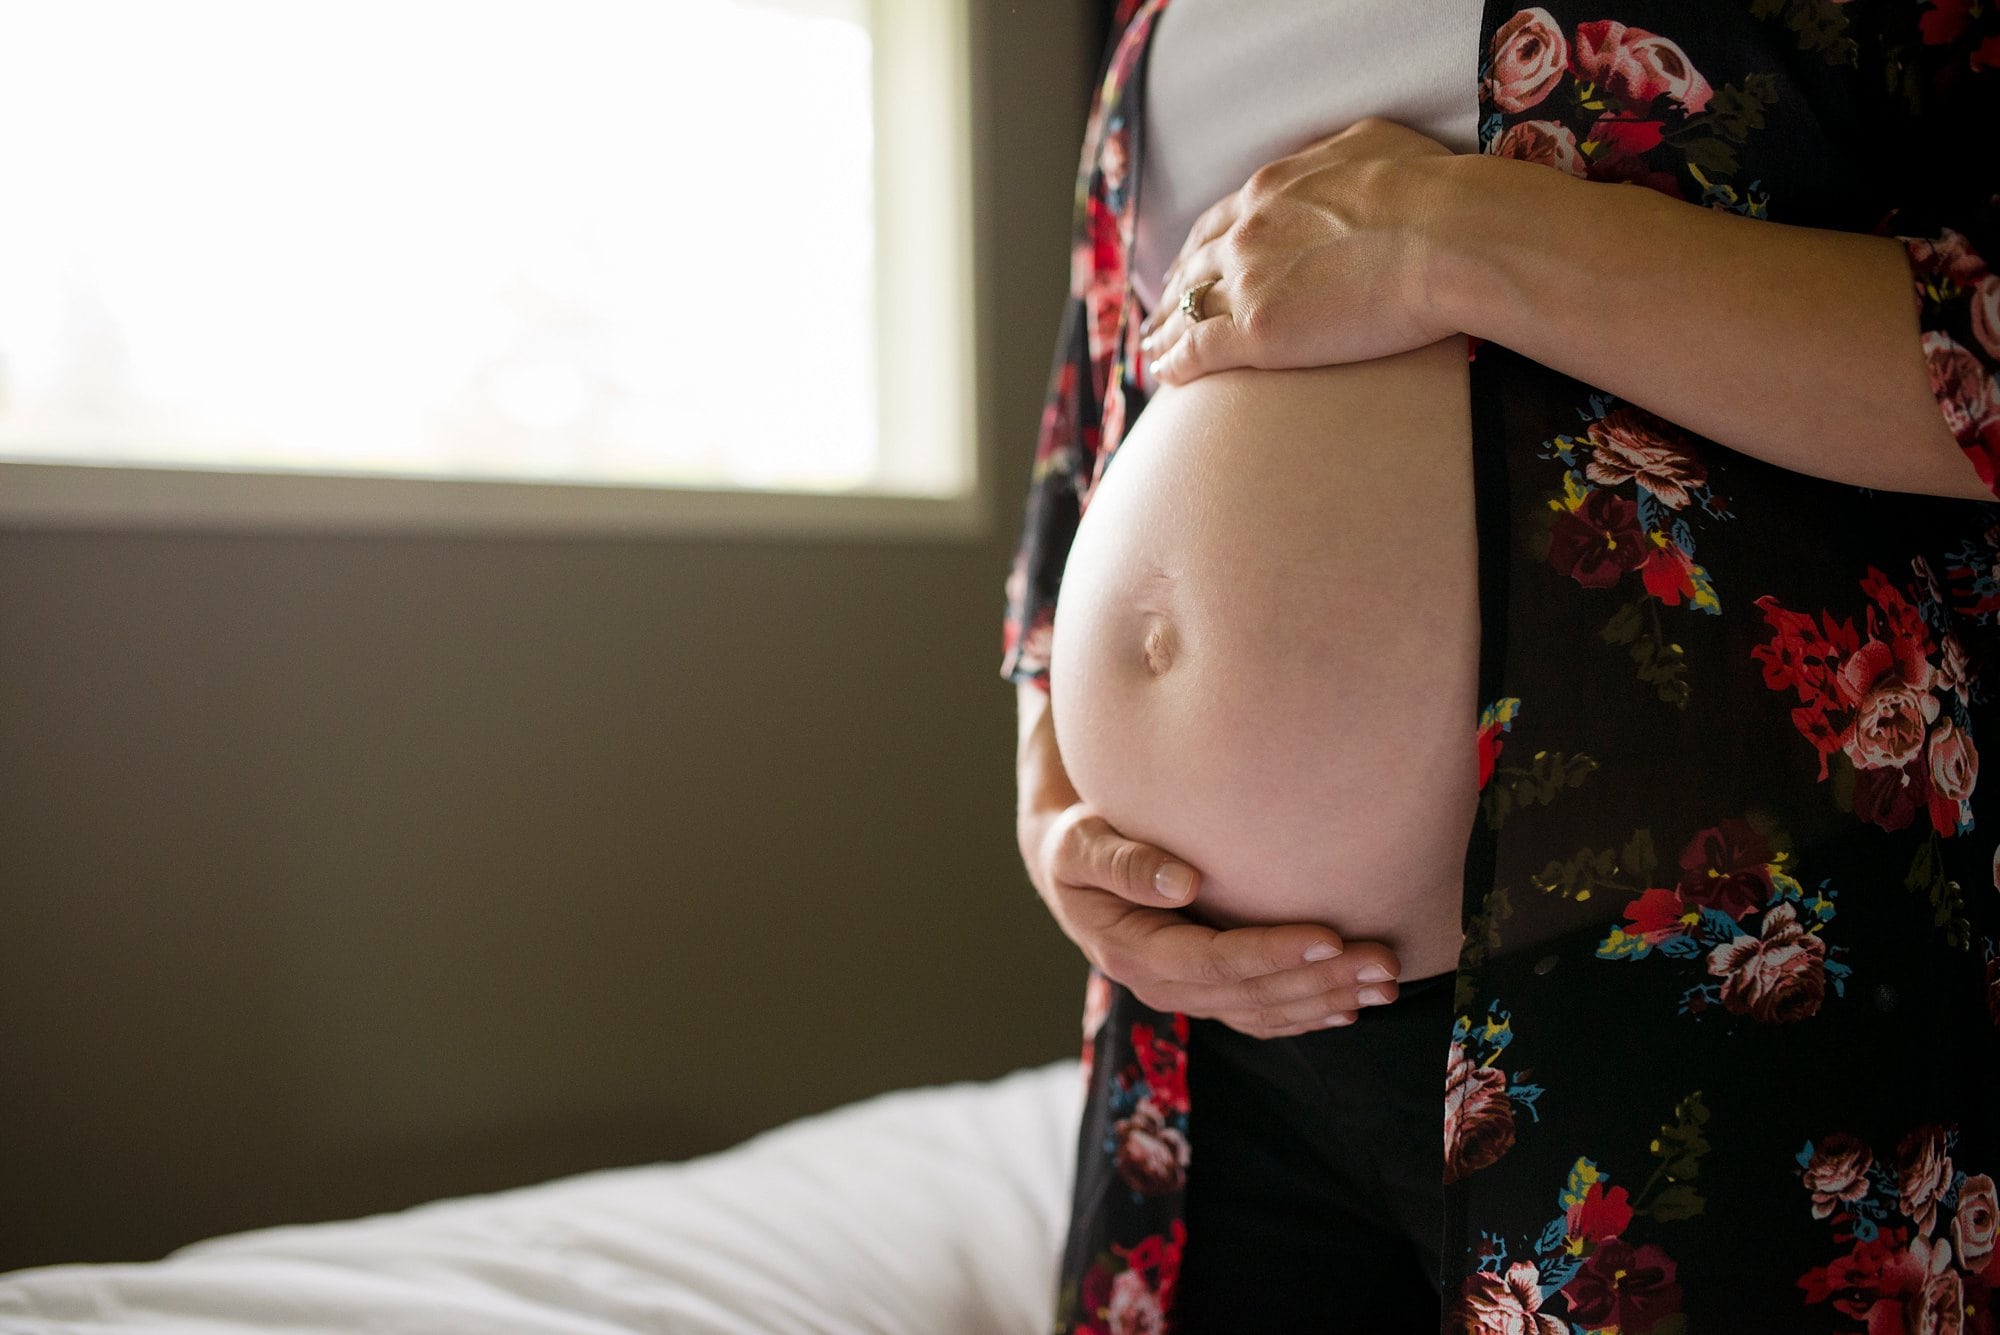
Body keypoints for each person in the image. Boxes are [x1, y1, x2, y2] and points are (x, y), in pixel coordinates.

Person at [1004, 1, 2000, 1331]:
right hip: (1206, 1056)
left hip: (1717, 991)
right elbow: (1102, 391)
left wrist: (1457, 239)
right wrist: (1053, 795)